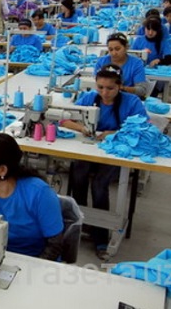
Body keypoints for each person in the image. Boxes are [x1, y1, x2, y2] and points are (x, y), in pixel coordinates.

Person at [64, 64, 148, 259]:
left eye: (110, 88)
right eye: (100, 87)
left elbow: (144, 129)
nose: (104, 92)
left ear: (120, 86)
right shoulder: (89, 98)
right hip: (91, 149)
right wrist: (81, 128)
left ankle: (101, 236)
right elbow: (64, 119)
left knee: (100, 184)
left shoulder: (132, 102)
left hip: (117, 151)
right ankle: (81, 220)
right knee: (78, 174)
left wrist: (113, 133)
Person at [94, 32, 148, 99]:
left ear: (126, 47)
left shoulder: (136, 63)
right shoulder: (101, 62)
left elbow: (142, 90)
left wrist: (122, 88)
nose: (114, 53)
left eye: (117, 49)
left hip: (128, 99)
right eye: (110, 50)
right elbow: (97, 84)